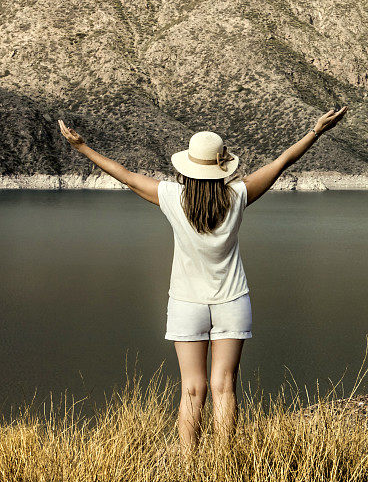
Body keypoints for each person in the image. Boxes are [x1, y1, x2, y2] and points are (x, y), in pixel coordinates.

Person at [58, 105, 348, 451]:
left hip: (186, 304)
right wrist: (315, 131)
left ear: (189, 166)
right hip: (233, 300)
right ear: (222, 166)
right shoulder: (238, 195)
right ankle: (224, 459)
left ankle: (188, 462)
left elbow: (124, 175)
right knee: (224, 385)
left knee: (192, 389)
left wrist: (82, 147)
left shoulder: (170, 197)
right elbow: (283, 161)